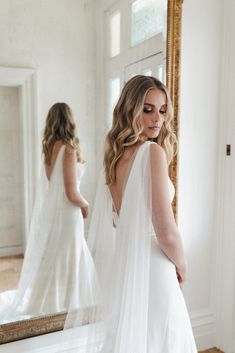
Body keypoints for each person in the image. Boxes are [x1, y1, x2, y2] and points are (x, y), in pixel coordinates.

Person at [64, 75, 197, 353]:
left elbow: (118, 219)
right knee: (164, 338)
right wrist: (182, 264)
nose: (157, 119)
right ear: (130, 108)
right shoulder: (152, 153)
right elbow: (165, 230)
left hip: (128, 262)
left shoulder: (115, 155)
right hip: (156, 265)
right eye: (147, 109)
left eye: (162, 110)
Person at [0, 102, 96, 322]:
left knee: (58, 257)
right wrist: (86, 203)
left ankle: (52, 302)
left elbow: (57, 186)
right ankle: (68, 304)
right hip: (70, 214)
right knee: (70, 256)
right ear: (69, 120)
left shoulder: (50, 148)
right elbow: (72, 193)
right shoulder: (69, 149)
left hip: (58, 215)